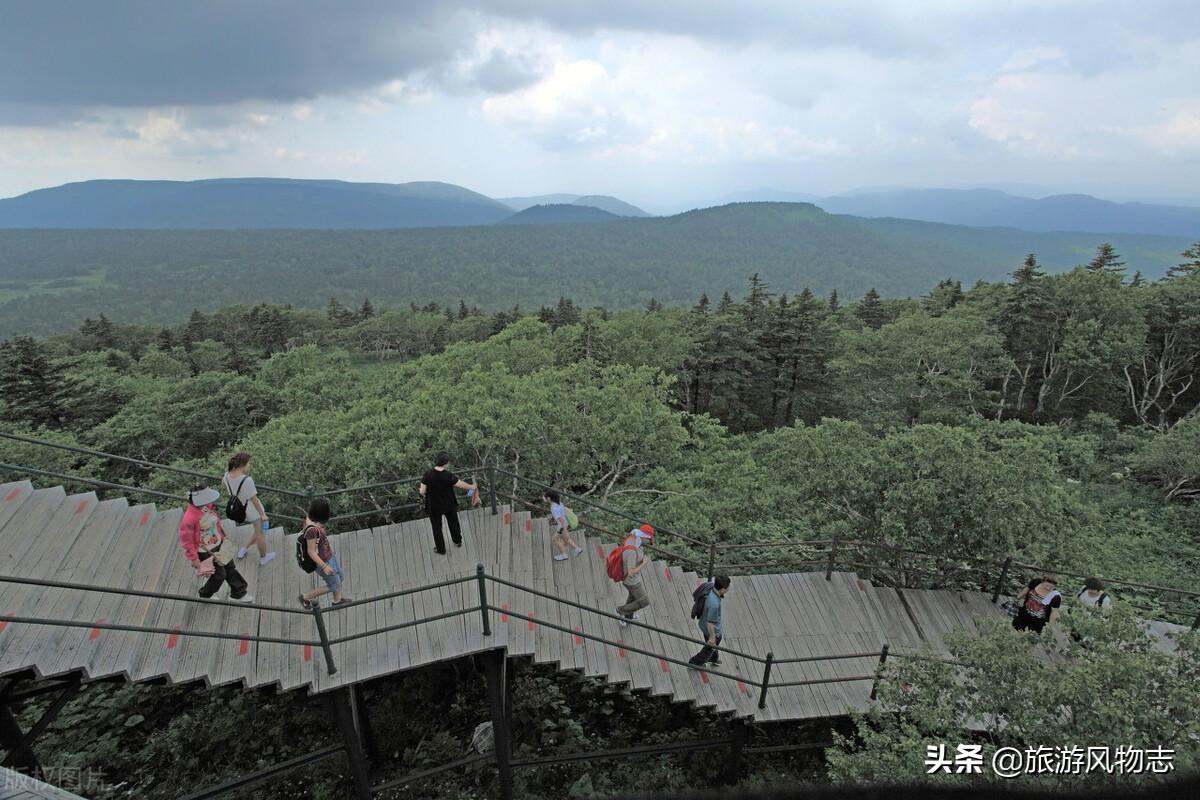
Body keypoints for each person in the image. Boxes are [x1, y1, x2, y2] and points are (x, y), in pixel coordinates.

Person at [178, 486, 253, 602]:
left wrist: (223, 538)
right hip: (205, 550)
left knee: (230, 568)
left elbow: (215, 524)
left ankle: (239, 593)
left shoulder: (207, 507)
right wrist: (193, 558)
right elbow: (187, 541)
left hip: (219, 543)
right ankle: (205, 594)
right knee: (219, 575)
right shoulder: (189, 518)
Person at [418, 451, 477, 555]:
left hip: (434, 506)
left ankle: (441, 549)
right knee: (453, 523)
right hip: (448, 504)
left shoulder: (427, 474)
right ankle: (457, 541)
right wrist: (472, 487)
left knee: (436, 528)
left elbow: (422, 491)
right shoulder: (448, 475)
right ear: (445, 463)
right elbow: (461, 484)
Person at [223, 452, 275, 565]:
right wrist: (263, 514)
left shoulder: (226, 476)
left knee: (257, 530)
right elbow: (254, 499)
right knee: (260, 533)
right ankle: (263, 557)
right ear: (242, 464)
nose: (249, 466)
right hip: (252, 511)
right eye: (248, 463)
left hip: (240, 509)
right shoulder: (246, 480)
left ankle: (244, 549)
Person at [299, 497, 351, 608]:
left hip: (328, 556)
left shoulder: (312, 520)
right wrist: (324, 567)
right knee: (334, 584)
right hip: (322, 561)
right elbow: (311, 552)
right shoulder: (312, 529)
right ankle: (306, 597)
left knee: (340, 576)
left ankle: (337, 600)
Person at [689, 575, 730, 669]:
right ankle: (694, 663)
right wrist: (712, 637)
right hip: (712, 631)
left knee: (714, 646)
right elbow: (710, 622)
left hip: (703, 624)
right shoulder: (714, 604)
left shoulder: (711, 587)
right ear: (723, 589)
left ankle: (713, 658)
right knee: (709, 648)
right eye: (728, 586)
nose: (729, 588)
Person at [616, 524, 654, 625]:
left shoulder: (636, 541)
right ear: (643, 537)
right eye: (648, 539)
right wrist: (644, 563)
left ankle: (628, 617)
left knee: (633, 598)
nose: (649, 541)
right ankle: (620, 611)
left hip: (632, 579)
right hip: (632, 581)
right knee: (644, 601)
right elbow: (631, 572)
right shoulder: (632, 550)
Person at [543, 490, 583, 562]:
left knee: (554, 539)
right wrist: (552, 517)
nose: (544, 498)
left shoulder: (555, 508)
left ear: (549, 498)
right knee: (566, 539)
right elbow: (561, 513)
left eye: (545, 497)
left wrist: (565, 531)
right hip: (566, 524)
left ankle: (564, 555)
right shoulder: (558, 503)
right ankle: (577, 549)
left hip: (562, 526)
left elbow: (562, 521)